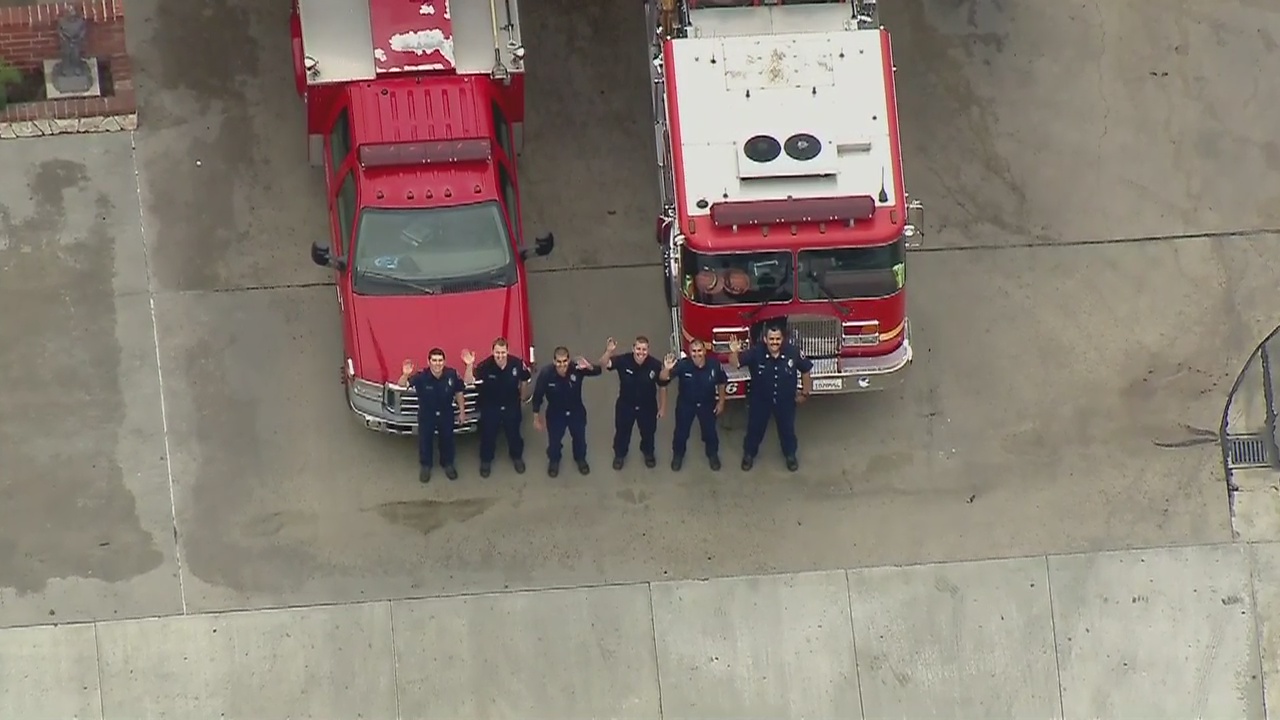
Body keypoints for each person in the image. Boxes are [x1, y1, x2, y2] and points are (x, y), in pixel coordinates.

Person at [727, 325, 813, 472]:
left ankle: (790, 455)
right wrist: (734, 351)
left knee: (787, 430)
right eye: (771, 339)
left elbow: (806, 369)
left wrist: (805, 392)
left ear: (782, 339)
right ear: (765, 339)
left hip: (785, 401)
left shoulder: (793, 352)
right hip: (760, 401)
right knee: (754, 429)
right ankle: (749, 454)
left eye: (778, 339)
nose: (775, 342)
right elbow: (735, 363)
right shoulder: (756, 352)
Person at [463, 338, 532, 477]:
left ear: (507, 351)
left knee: (514, 434)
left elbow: (525, 379)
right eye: (497, 353)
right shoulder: (485, 366)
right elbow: (468, 381)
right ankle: (486, 461)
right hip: (490, 407)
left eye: (503, 352)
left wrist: (523, 397)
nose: (500, 356)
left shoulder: (517, 364)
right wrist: (469, 365)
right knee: (488, 435)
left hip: (511, 405)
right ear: (492, 352)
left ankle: (517, 457)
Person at [599, 336, 670, 470]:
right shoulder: (623, 360)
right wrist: (609, 351)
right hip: (626, 405)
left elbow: (663, 384)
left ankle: (648, 453)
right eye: (638, 349)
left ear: (648, 350)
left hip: (647, 407)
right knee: (622, 432)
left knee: (648, 432)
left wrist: (663, 407)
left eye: (644, 349)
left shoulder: (655, 364)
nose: (641, 352)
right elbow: (603, 364)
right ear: (633, 348)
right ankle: (620, 455)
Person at [398, 348, 468, 483]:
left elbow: (459, 392)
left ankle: (448, 464)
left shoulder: (451, 374)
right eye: (434, 360)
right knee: (425, 441)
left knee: (447, 440)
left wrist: (462, 411)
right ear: (428, 362)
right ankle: (426, 466)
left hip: (446, 413)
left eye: (440, 360)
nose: (437, 363)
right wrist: (405, 375)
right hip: (427, 414)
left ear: (444, 362)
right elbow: (402, 385)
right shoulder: (421, 377)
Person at [531, 346, 603, 477]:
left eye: (565, 361)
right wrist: (536, 418)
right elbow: (537, 396)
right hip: (555, 414)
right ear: (554, 361)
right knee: (554, 441)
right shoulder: (546, 374)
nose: (562, 365)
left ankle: (580, 459)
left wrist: (589, 366)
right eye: (559, 361)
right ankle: (554, 461)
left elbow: (598, 371)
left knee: (579, 438)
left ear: (569, 360)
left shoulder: (577, 368)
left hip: (576, 412)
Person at [658, 338, 728, 471]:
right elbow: (663, 379)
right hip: (686, 405)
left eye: (699, 350)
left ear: (705, 351)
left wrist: (721, 402)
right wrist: (666, 369)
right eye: (693, 351)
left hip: (707, 405)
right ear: (689, 352)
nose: (697, 354)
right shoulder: (683, 365)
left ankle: (712, 454)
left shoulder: (714, 365)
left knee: (710, 432)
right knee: (681, 433)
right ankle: (678, 455)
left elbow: (722, 382)